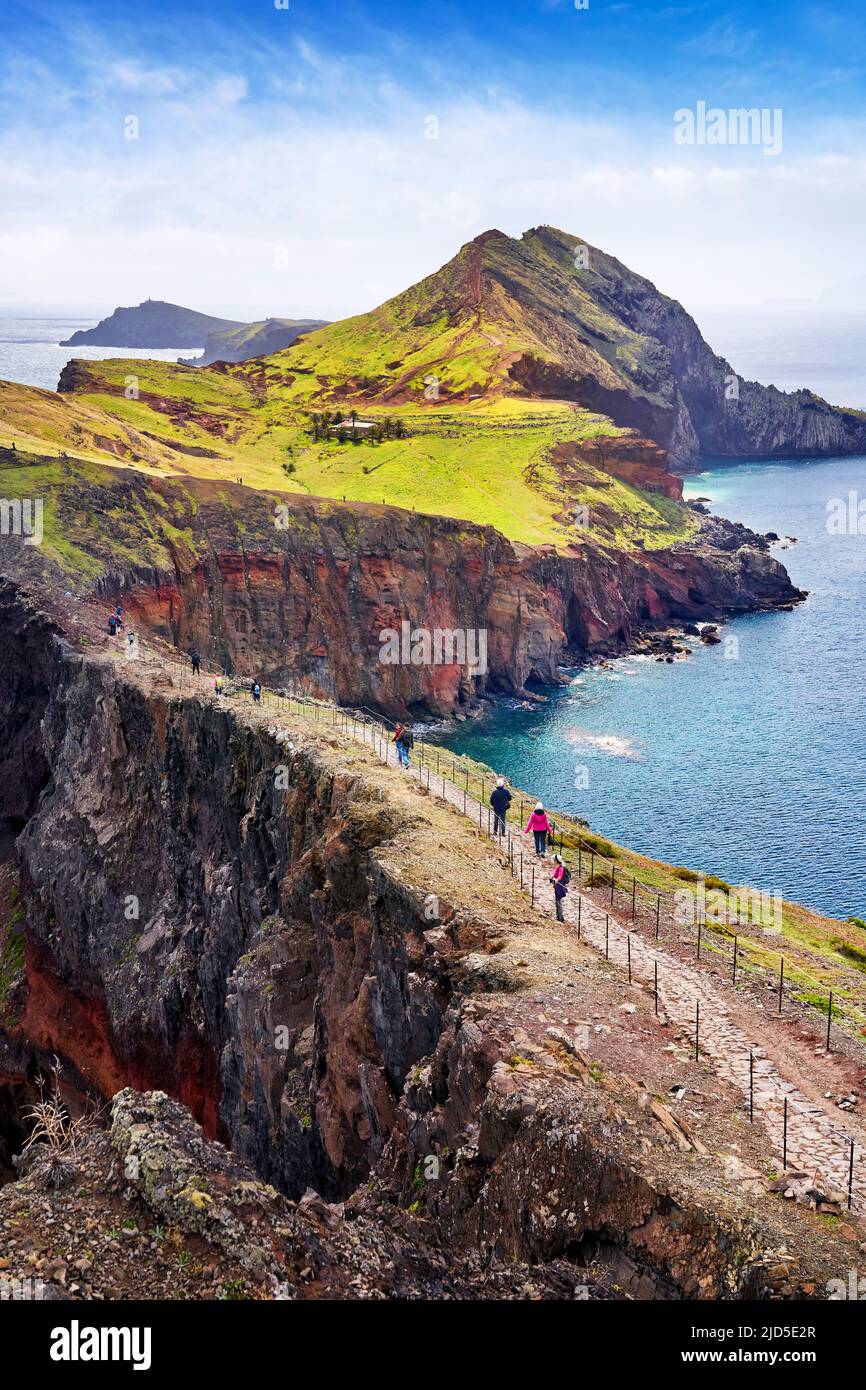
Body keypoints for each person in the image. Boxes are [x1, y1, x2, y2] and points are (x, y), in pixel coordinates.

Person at [550, 853, 571, 922]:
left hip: (560, 886)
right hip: (557, 886)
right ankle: (559, 916)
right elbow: (555, 875)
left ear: (556, 861)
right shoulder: (557, 867)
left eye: (552, 860)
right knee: (557, 901)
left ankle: (560, 918)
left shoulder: (561, 868)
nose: (551, 861)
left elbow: (560, 876)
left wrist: (556, 879)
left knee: (558, 901)